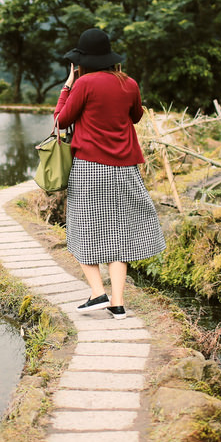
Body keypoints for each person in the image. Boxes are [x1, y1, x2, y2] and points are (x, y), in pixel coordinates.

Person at [54, 28, 166, 320]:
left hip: (91, 167)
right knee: (120, 233)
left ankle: (97, 293)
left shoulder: (84, 84)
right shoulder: (129, 83)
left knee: (82, 229)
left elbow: (61, 120)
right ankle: (117, 303)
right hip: (126, 168)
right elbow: (136, 116)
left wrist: (67, 87)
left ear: (82, 62)